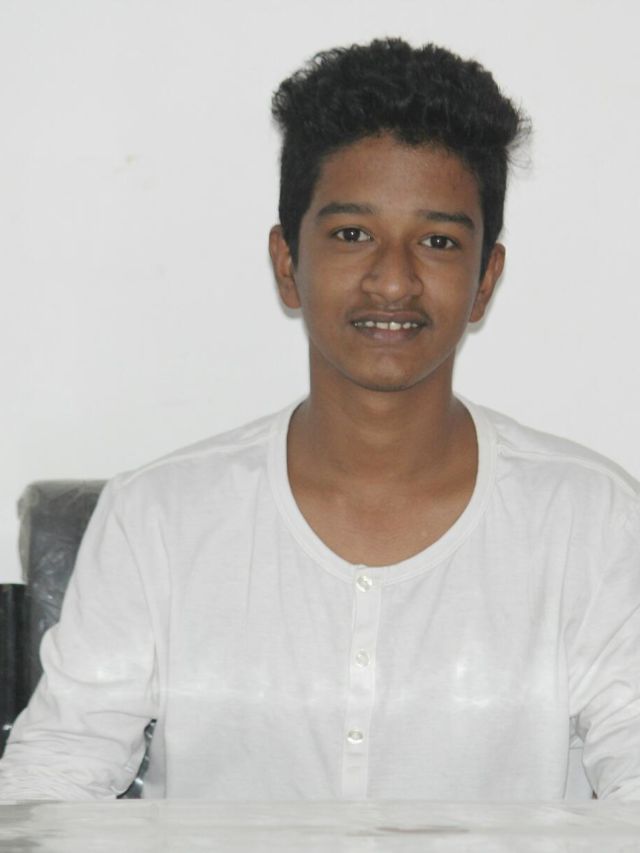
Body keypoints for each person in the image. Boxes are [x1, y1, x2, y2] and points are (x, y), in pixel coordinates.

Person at [1, 37, 639, 802]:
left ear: (484, 280)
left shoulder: (591, 522)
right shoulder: (157, 519)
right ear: (287, 264)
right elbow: (52, 781)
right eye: (352, 234)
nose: (393, 280)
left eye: (438, 241)